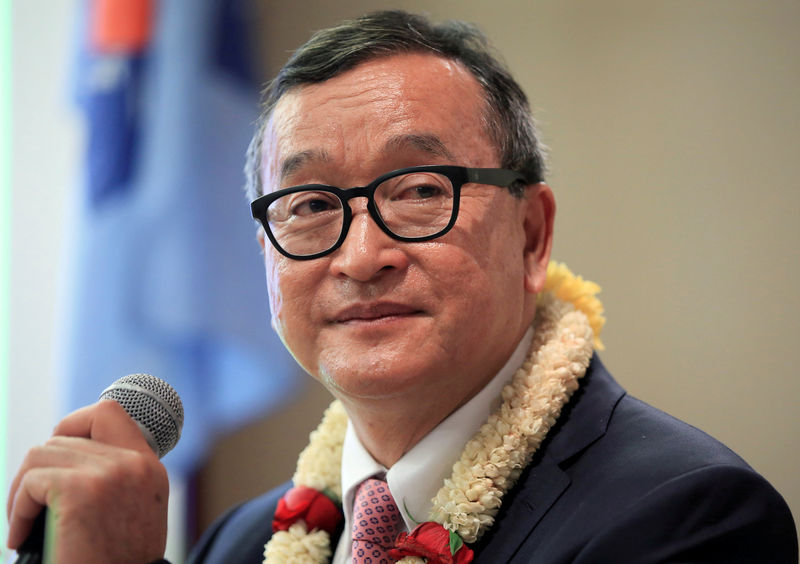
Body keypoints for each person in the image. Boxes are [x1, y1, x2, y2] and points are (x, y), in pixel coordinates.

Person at [7, 10, 797, 564]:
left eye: (418, 190)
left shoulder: (686, 518)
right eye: (311, 206)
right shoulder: (239, 544)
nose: (360, 255)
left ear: (531, 234)